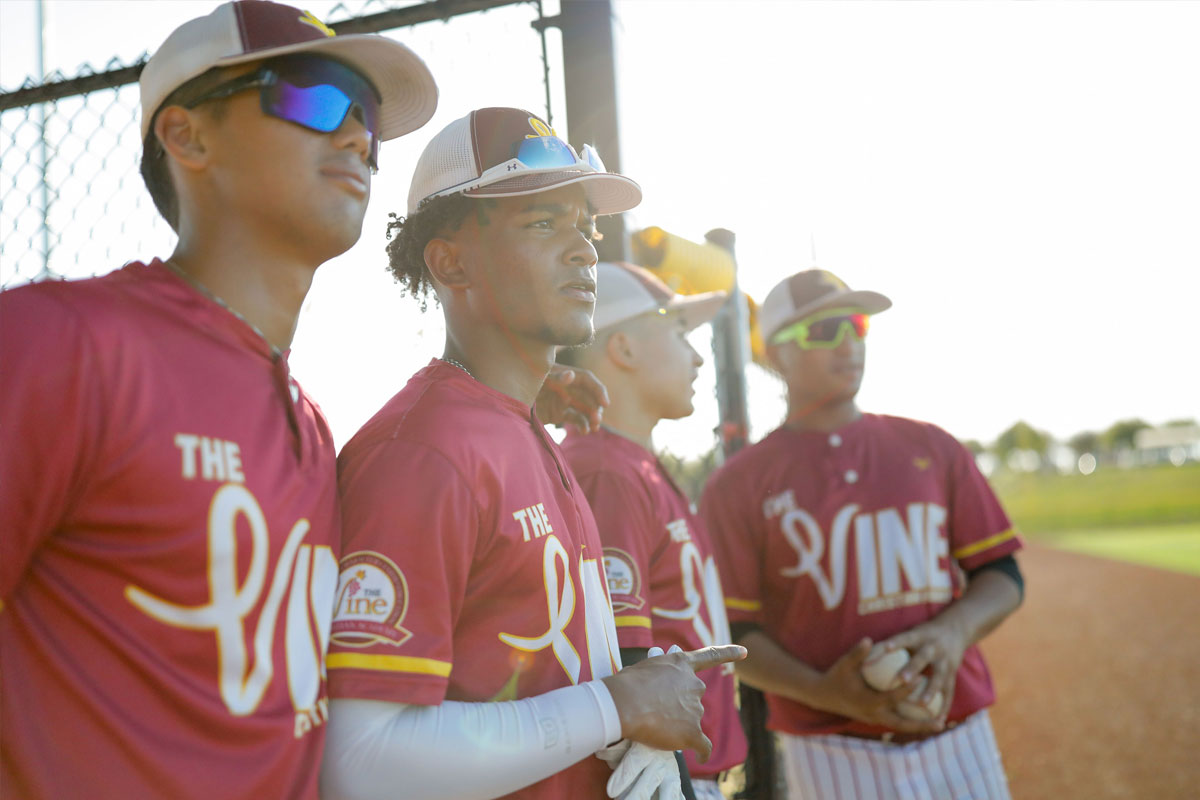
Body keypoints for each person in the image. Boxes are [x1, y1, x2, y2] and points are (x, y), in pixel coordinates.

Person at [0, 2, 440, 797]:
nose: (356, 138)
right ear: (187, 136)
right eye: (312, 96)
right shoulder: (58, 343)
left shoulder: (310, 417)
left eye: (369, 119)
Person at [320, 107, 746, 800]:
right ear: (450, 260)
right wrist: (615, 707)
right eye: (542, 223)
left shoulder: (523, 426)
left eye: (584, 225)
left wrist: (632, 694)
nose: (583, 250)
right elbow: (361, 764)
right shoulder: (423, 453)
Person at [700, 269, 1025, 800]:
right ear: (777, 352)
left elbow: (1003, 572)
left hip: (956, 732)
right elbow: (735, 632)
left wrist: (952, 633)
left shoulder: (929, 447)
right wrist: (825, 691)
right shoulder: (738, 485)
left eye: (855, 326)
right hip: (830, 748)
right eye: (825, 331)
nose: (848, 343)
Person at [557, 261, 748, 800]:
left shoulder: (632, 463)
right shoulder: (604, 469)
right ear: (624, 349)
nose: (696, 354)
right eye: (678, 331)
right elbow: (625, 662)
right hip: (659, 779)